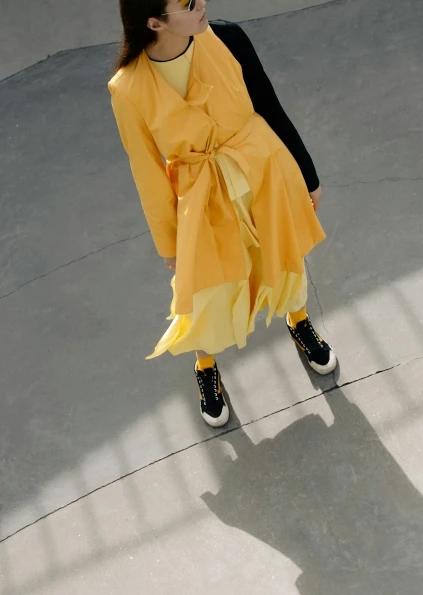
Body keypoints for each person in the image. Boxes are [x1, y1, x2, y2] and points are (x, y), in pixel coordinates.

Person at [109, 0, 337, 427]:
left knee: (283, 255)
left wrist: (307, 174)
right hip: (201, 194)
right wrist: (170, 242)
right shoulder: (127, 88)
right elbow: (147, 173)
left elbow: (269, 105)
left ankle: (299, 321)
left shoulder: (227, 37)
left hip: (263, 168)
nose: (202, 4)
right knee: (203, 291)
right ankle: (205, 366)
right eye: (187, 3)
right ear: (154, 21)